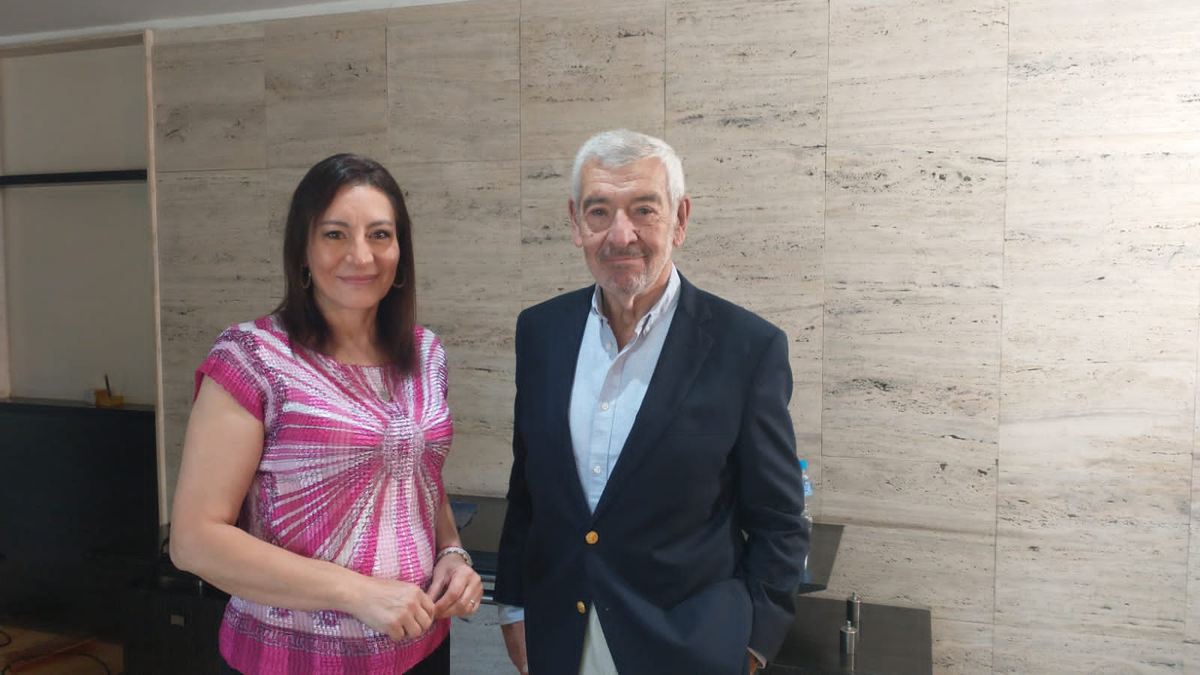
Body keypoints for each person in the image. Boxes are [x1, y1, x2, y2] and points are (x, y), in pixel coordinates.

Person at [494, 129, 809, 675]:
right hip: (560, 638)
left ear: (680, 219)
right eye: (599, 212)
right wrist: (515, 605)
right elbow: (529, 489)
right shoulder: (541, 332)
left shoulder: (747, 348)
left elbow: (779, 520)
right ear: (575, 223)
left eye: (644, 209)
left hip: (688, 649)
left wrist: (753, 645)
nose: (622, 235)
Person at [170, 153, 482, 675]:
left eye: (380, 235)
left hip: (421, 646)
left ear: (401, 252)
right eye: (336, 234)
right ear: (304, 251)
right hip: (293, 660)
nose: (361, 255)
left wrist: (453, 553)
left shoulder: (426, 352)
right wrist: (358, 594)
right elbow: (194, 540)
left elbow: (416, 477)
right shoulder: (252, 358)